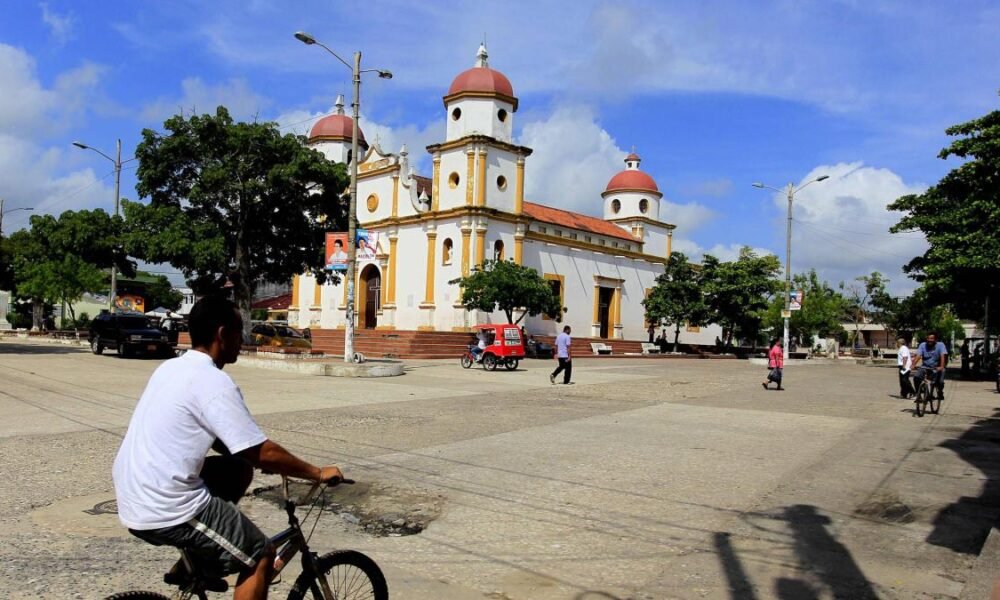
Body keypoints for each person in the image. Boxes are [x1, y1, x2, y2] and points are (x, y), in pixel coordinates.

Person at [112, 296, 342, 600]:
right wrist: (316, 472)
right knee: (261, 553)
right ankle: (203, 556)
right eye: (239, 331)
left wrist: (252, 455)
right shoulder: (213, 382)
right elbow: (261, 450)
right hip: (166, 504)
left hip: (133, 488)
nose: (242, 338)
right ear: (222, 334)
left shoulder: (170, 368)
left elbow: (237, 447)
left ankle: (197, 564)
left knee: (238, 470)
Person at [913, 331, 948, 400]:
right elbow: (918, 355)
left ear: (935, 339)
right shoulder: (922, 345)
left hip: (937, 367)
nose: (929, 340)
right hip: (925, 366)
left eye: (932, 338)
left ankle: (940, 392)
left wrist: (941, 366)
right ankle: (919, 395)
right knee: (916, 377)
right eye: (928, 338)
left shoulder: (940, 345)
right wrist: (913, 365)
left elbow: (942, 356)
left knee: (940, 382)